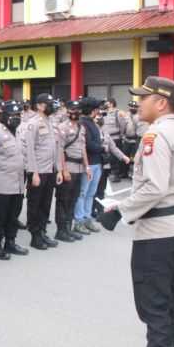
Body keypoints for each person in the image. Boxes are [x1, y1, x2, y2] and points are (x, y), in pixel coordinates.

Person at [104, 76, 174, 347]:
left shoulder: (155, 135)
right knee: (171, 303)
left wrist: (119, 212)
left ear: (161, 102)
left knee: (155, 307)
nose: (138, 103)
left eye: (143, 98)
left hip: (158, 233)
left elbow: (154, 188)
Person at [0, 102, 27, 259]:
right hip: (1, 183)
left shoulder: (18, 132)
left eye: (18, 115)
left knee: (13, 216)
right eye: (12, 115)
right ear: (3, 116)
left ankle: (10, 242)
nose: (15, 118)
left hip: (17, 183)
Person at [25, 93, 62, 250]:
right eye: (48, 103)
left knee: (46, 204)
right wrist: (33, 173)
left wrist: (59, 170)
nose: (51, 106)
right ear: (39, 105)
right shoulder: (33, 123)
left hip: (50, 170)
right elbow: (30, 149)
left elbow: (56, 148)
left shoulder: (51, 122)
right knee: (35, 204)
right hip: (38, 171)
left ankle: (42, 232)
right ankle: (35, 236)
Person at [55, 100, 90, 243]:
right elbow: (60, 149)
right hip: (68, 167)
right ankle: (61, 230)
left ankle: (68, 228)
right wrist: (63, 170)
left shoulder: (82, 128)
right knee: (63, 200)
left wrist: (87, 167)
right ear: (68, 111)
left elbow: (83, 149)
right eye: (72, 110)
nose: (75, 113)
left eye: (77, 110)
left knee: (73, 199)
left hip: (79, 168)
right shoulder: (61, 127)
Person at [74, 98, 104, 235]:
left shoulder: (92, 123)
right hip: (88, 163)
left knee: (91, 193)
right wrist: (102, 148)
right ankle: (79, 220)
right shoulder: (83, 124)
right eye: (97, 108)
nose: (98, 111)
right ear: (92, 110)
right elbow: (88, 145)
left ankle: (87, 217)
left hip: (96, 162)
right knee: (82, 193)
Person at [101, 98, 128, 182]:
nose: (105, 104)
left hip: (115, 137)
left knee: (115, 157)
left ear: (111, 104)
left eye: (107, 103)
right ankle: (110, 173)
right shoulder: (104, 113)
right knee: (107, 157)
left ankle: (116, 174)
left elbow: (122, 125)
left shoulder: (118, 113)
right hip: (106, 138)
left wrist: (121, 134)